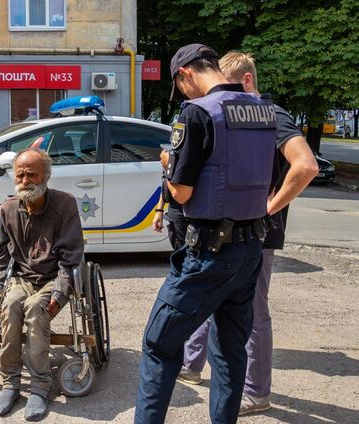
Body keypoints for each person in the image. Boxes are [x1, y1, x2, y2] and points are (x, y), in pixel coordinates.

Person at [134, 43, 278, 424]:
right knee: (230, 354)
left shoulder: (197, 113)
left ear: (185, 75)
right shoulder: (263, 109)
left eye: (179, 85)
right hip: (251, 252)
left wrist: (169, 165)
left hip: (207, 255)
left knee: (158, 345)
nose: (182, 93)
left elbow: (181, 192)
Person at [177, 51, 319, 415]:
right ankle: (192, 365)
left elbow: (305, 166)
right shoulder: (231, 114)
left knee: (254, 314)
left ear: (247, 82)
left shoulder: (270, 114)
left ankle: (256, 393)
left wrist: (267, 208)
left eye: (228, 86)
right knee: (213, 301)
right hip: (227, 232)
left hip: (256, 233)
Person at [0, 148, 84, 421]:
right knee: (11, 306)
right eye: (20, 174)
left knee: (34, 310)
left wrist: (60, 292)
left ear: (46, 177)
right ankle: (11, 383)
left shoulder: (64, 205)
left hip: (53, 277)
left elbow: (71, 258)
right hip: (21, 277)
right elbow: (0, 257)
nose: (25, 180)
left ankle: (40, 386)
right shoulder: (8, 209)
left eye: (31, 174)